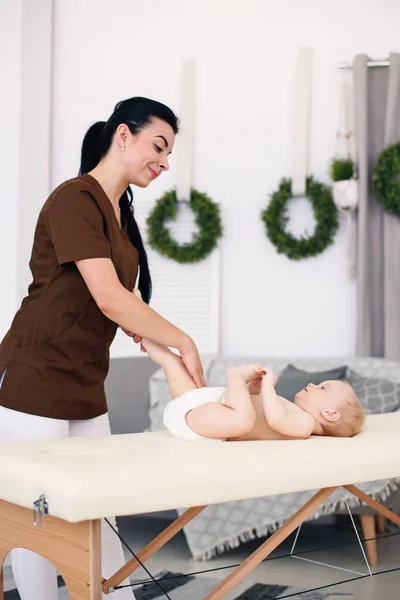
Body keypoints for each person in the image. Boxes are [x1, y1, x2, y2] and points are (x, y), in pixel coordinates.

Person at [0, 97, 206, 600]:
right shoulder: (74, 198)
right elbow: (111, 298)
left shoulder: (119, 215)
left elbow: (128, 303)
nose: (164, 161)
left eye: (169, 152)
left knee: (100, 511)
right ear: (122, 135)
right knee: (39, 519)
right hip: (36, 374)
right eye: (158, 146)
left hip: (87, 380)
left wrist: (165, 350)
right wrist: (183, 340)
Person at [139, 335, 366, 442]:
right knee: (174, 366)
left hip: (209, 421)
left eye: (322, 388)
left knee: (242, 421)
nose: (311, 384)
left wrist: (267, 387)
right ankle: (146, 335)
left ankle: (235, 377)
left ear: (330, 414)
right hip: (209, 412)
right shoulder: (291, 409)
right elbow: (261, 412)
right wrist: (256, 389)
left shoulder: (305, 425)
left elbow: (276, 421)